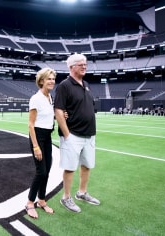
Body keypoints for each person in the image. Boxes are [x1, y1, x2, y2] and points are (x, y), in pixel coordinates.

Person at [54, 53, 100, 213]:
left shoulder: (86, 84)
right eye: (81, 64)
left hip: (89, 134)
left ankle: (82, 192)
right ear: (71, 67)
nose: (84, 66)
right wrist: (67, 134)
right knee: (70, 167)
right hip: (72, 134)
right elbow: (59, 111)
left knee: (87, 166)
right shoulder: (64, 86)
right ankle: (66, 197)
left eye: (85, 64)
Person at [25, 67, 56, 219]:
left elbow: (48, 117)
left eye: (53, 79)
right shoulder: (35, 98)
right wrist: (36, 146)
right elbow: (31, 124)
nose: (52, 81)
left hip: (48, 136)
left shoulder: (50, 98)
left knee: (47, 169)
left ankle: (41, 200)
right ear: (42, 81)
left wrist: (61, 115)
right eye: (49, 79)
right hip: (37, 137)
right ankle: (30, 203)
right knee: (41, 171)